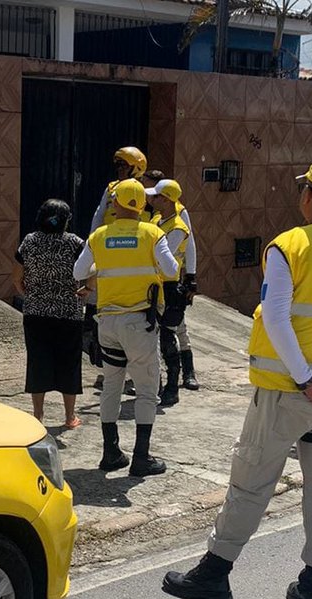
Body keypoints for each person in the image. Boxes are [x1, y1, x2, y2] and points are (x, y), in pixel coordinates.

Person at [163, 156, 312, 599]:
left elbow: (276, 316)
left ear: (309, 195)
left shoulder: (288, 245)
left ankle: (214, 574)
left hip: (285, 392)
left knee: (251, 481)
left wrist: (308, 380)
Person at [73, 178, 178, 477]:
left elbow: (79, 271)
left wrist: (102, 271)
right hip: (139, 324)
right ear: (142, 205)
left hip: (107, 322)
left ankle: (111, 454)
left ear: (115, 203)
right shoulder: (152, 233)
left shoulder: (99, 235)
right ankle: (141, 458)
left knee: (111, 386)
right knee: (146, 390)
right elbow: (171, 270)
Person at [12, 199, 86, 429]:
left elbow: (17, 277)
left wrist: (30, 294)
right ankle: (69, 417)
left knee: (38, 361)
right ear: (65, 221)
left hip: (35, 313)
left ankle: (37, 415)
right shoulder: (75, 243)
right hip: (69, 313)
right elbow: (92, 269)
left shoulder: (30, 241)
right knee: (69, 362)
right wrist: (87, 290)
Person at [86, 146, 149, 394]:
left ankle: (133, 377)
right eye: (119, 166)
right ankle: (108, 372)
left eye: (124, 165)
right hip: (110, 252)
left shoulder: (143, 192)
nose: (120, 169)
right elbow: (98, 216)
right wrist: (91, 245)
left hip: (134, 255)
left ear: (137, 168)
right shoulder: (111, 189)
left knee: (134, 317)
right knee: (107, 315)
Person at [143, 171, 201, 395]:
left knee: (169, 334)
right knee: (154, 334)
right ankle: (155, 384)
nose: (151, 199)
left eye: (155, 196)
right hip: (155, 285)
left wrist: (191, 277)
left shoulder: (178, 226)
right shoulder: (157, 219)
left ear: (166, 199)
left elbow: (162, 255)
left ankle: (174, 383)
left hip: (169, 285)